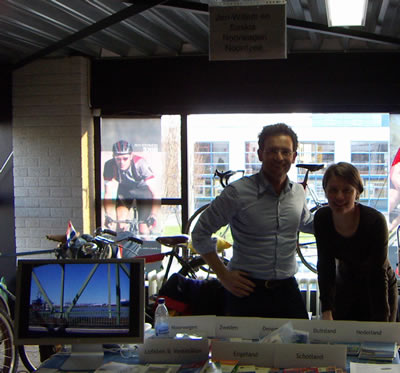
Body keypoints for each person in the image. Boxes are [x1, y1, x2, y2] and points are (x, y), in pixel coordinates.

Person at [191, 123, 314, 318]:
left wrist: (345, 214)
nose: (279, 157)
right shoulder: (237, 193)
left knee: (297, 347)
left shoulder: (298, 192)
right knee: (243, 349)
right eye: (272, 151)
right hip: (246, 290)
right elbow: (199, 234)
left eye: (285, 151)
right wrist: (223, 275)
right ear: (260, 154)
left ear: (294, 156)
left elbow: (306, 222)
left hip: (287, 290)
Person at [314, 162, 398, 322]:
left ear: (357, 192)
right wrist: (326, 309)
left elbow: (378, 275)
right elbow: (325, 265)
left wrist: (382, 323)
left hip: (380, 287)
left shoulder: (374, 221)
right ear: (325, 191)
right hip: (344, 285)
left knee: (378, 341)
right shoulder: (322, 218)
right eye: (333, 190)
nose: (339, 196)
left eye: (347, 190)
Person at [103, 140, 159, 235]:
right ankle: (122, 247)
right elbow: (107, 193)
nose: (122, 163)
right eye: (118, 159)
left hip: (143, 191)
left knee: (143, 228)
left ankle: (145, 246)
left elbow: (155, 193)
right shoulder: (109, 165)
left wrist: (153, 215)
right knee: (120, 226)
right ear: (113, 157)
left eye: (125, 159)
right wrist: (108, 215)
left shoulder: (140, 164)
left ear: (131, 156)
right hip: (125, 190)